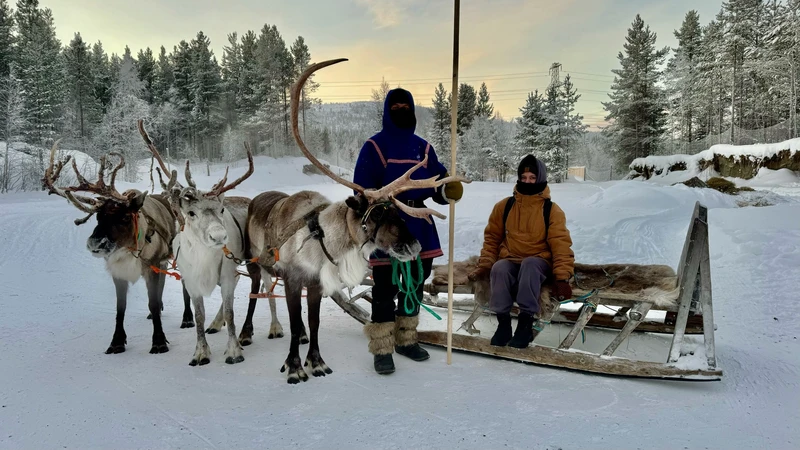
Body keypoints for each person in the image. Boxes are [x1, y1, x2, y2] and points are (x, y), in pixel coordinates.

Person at [353, 88, 463, 375]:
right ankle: (382, 348)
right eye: (396, 106)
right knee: (385, 287)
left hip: (418, 222)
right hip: (386, 227)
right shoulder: (375, 147)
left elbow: (437, 182)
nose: (401, 110)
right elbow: (362, 190)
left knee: (414, 283)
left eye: (406, 106)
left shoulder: (424, 149)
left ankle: (405, 340)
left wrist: (445, 190)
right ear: (388, 110)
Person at [468, 155, 574, 348]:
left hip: (539, 261)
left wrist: (562, 278)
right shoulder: (504, 206)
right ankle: (503, 324)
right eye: (524, 177)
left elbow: (561, 244)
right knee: (499, 268)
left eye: (532, 178)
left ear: (540, 179)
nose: (527, 181)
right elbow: (492, 239)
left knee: (530, 264)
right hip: (510, 258)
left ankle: (525, 323)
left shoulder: (551, 210)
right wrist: (485, 266)